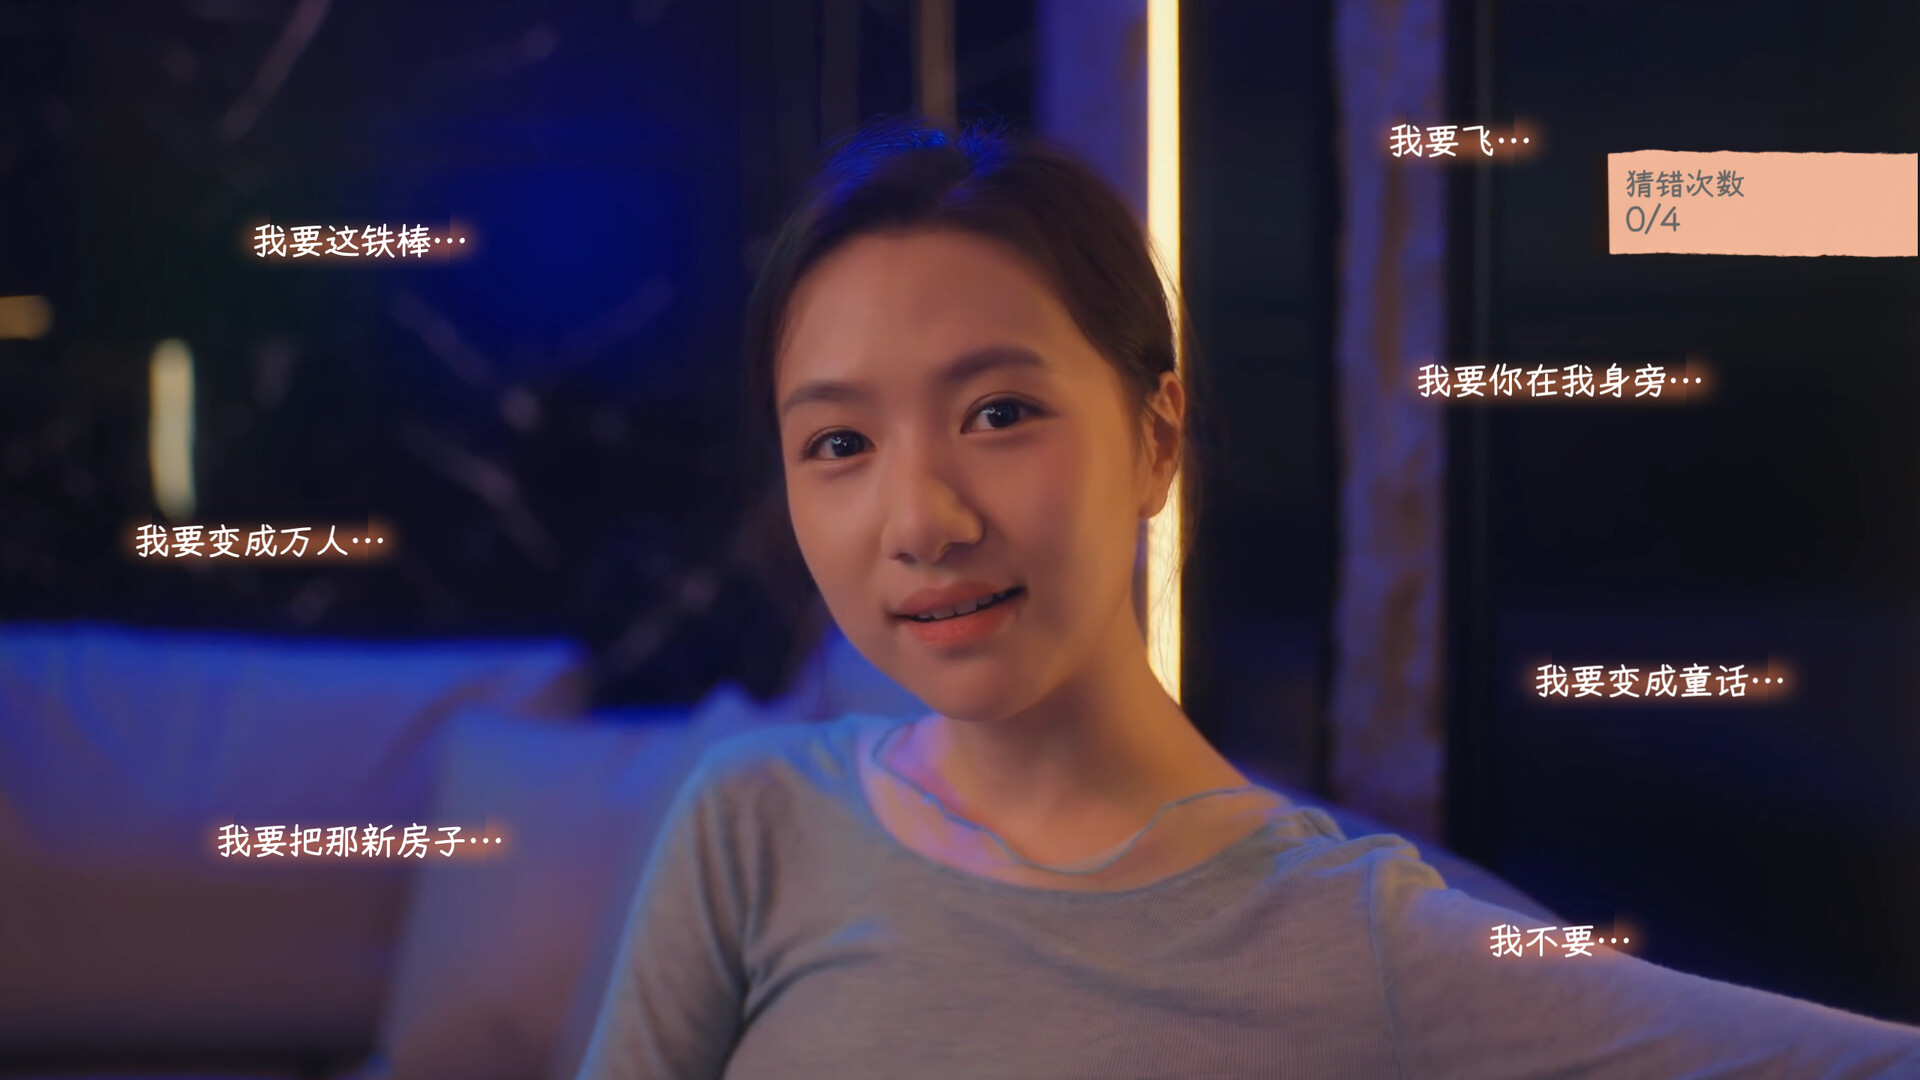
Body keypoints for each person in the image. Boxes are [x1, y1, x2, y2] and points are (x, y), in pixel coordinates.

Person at [575, 118, 1920, 1079]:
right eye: (839, 443)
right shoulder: (753, 825)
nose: (921, 521)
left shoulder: (1357, 939)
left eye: (999, 412)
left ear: (1155, 439)